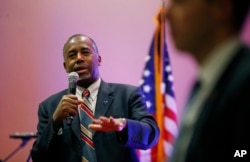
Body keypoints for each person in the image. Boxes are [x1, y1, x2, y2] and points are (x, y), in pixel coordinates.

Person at [31, 34, 160, 162]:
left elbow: (151, 135)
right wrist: (55, 121)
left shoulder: (128, 95)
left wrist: (125, 126)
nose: (79, 58)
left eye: (85, 52)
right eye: (72, 55)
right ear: (65, 66)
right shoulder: (49, 107)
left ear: (99, 59)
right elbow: (38, 157)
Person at [164, 0, 250, 162]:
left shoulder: (245, 81)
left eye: (180, 3)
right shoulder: (205, 83)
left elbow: (242, 152)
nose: (167, 14)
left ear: (222, 9)